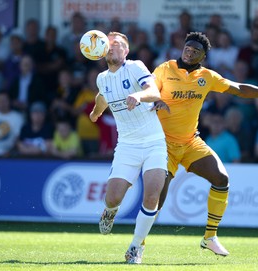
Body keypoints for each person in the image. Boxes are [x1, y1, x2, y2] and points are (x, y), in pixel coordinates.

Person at [152, 32, 258, 256]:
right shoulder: (165, 69)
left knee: (221, 179)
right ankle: (137, 244)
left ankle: (210, 237)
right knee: (156, 202)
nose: (189, 52)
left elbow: (240, 88)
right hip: (164, 144)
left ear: (203, 56)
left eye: (195, 50)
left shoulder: (208, 77)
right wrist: (154, 100)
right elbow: (149, 90)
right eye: (187, 48)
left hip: (191, 142)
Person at [89, 32, 167, 264]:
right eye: (108, 44)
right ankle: (109, 212)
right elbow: (102, 98)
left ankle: (135, 247)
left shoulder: (134, 67)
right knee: (113, 198)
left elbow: (154, 92)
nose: (111, 47)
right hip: (127, 146)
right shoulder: (102, 78)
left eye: (117, 45)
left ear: (126, 51)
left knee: (152, 194)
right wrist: (95, 113)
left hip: (154, 142)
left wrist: (139, 95)